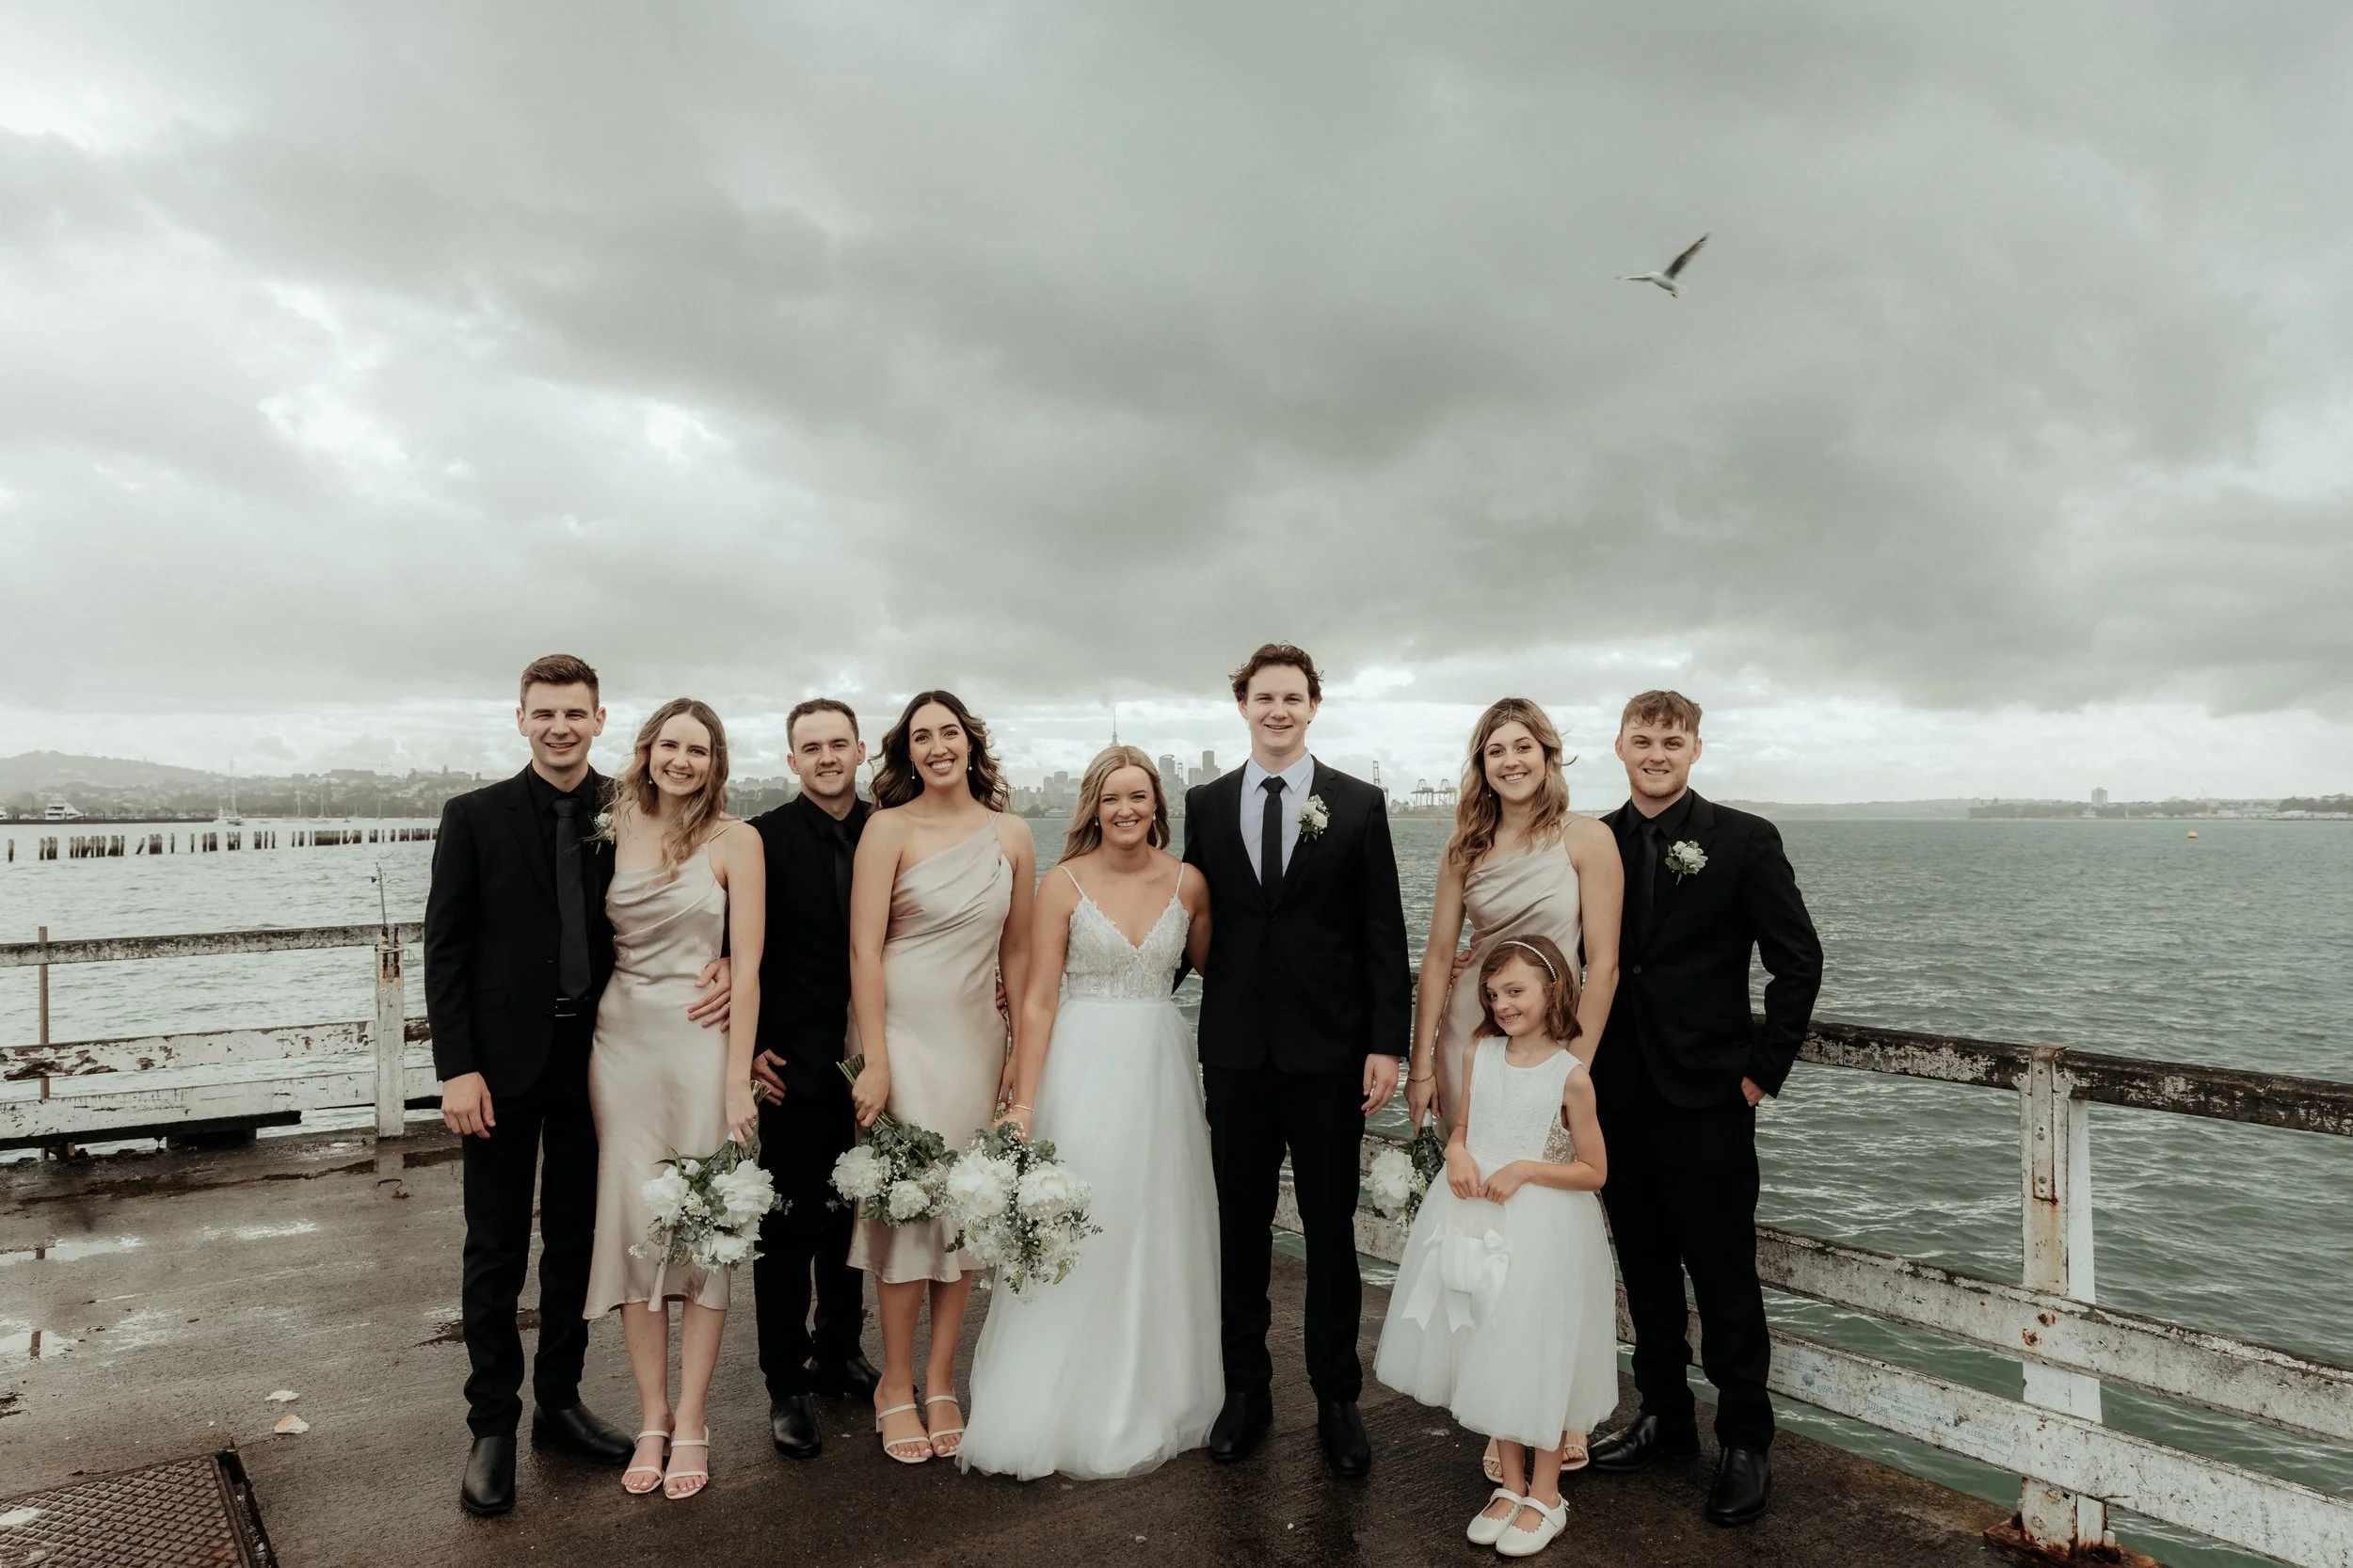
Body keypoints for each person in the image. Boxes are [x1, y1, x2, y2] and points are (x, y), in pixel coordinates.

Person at [424, 655, 729, 1517]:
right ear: (520, 720)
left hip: (600, 1056)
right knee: (494, 1247)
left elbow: (697, 895)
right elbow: (444, 949)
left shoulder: (631, 813)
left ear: (601, 722)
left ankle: (558, 1404)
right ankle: (492, 1424)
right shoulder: (473, 817)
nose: (560, 727)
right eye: (544, 713)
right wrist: (456, 1067)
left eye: (576, 714)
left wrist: (733, 961)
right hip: (497, 1065)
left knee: (575, 1238)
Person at [1584, 690, 1822, 1528]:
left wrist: (1760, 1074)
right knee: (1643, 1268)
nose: (1656, 752)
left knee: (1724, 1276)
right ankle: (1663, 1417)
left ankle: (1745, 1442)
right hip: (1614, 1099)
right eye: (1642, 738)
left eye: (1672, 740)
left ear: (1695, 750)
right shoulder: (1595, 839)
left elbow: (1798, 961)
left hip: (1709, 1099)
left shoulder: (1745, 839)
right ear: (1618, 745)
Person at [1180, 643, 1412, 1477]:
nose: (1278, 710)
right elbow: (1188, 918)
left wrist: (1388, 1043)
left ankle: (1337, 1397)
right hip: (1237, 1051)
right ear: (1241, 705)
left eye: (1293, 698)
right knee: (1238, 1226)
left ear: (1315, 706)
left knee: (1329, 1231)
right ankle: (1246, 1391)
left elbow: (1383, 932)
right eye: (1263, 697)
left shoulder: (1358, 803)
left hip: (1329, 1054)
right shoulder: (1203, 803)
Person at [959, 745, 1221, 1480]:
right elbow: (1039, 998)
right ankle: (1060, 1398)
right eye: (1112, 799)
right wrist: (1023, 1104)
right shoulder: (1063, 884)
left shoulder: (1190, 884)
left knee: (1155, 1220)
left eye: (1139, 797)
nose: (1126, 810)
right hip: (1081, 1063)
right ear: (1093, 808)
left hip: (1161, 1066)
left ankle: (1157, 1388)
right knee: (1085, 1214)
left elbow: (1220, 969)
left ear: (1158, 807)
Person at [1406, 696, 1624, 1485]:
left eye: (1522, 746)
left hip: (1555, 1045)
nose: (1510, 760)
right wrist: (1425, 1065)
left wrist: (1578, 1066)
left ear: (1548, 754)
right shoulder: (1464, 847)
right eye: (1494, 750)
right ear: (1481, 765)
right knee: (1482, 1228)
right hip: (1478, 1042)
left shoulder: (1588, 839)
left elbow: (1604, 963)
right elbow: (1437, 958)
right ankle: (1498, 1411)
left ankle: (1560, 1409)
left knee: (1549, 1239)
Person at [1375, 937, 1614, 1559]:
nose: (1502, 1004)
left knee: (1534, 1353)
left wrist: (1528, 1170)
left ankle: (1548, 1495)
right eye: (1493, 993)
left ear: (1553, 992)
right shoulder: (1481, 1051)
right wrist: (1456, 1153)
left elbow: (1594, 1170)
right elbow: (1464, 1130)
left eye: (1516, 991)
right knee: (1487, 1341)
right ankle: (1509, 1486)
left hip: (1545, 1229)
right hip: (1478, 1217)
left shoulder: (1571, 1076)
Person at [846, 691, 1035, 1464]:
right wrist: (877, 1062)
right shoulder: (887, 829)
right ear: (906, 753)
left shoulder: (1014, 835)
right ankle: (894, 1383)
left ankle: (941, 1376)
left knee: (966, 1212)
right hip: (901, 1041)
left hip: (975, 1040)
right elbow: (863, 951)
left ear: (970, 742)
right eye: (921, 737)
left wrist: (1021, 1050)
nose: (936, 746)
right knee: (905, 1211)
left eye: (948, 732)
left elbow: (1019, 954)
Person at [584, 697, 765, 1500]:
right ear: (647, 749)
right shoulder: (609, 823)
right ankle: (650, 1415)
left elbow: (748, 965)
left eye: (697, 749)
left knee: (706, 1228)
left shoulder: (737, 840)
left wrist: (736, 1079)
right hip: (619, 1042)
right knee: (636, 1225)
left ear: (714, 760)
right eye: (669, 745)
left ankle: (693, 1417)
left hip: (700, 1047)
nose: (681, 760)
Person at [745, 698, 881, 1461]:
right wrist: (753, 1047)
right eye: (811, 746)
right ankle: (785, 1380)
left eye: (838, 743)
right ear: (791, 759)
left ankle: (838, 1350)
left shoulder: (890, 830)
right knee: (788, 1223)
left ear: (860, 750)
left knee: (854, 1207)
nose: (827, 756)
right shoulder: (760, 840)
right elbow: (738, 952)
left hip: (875, 1051)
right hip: (792, 1061)